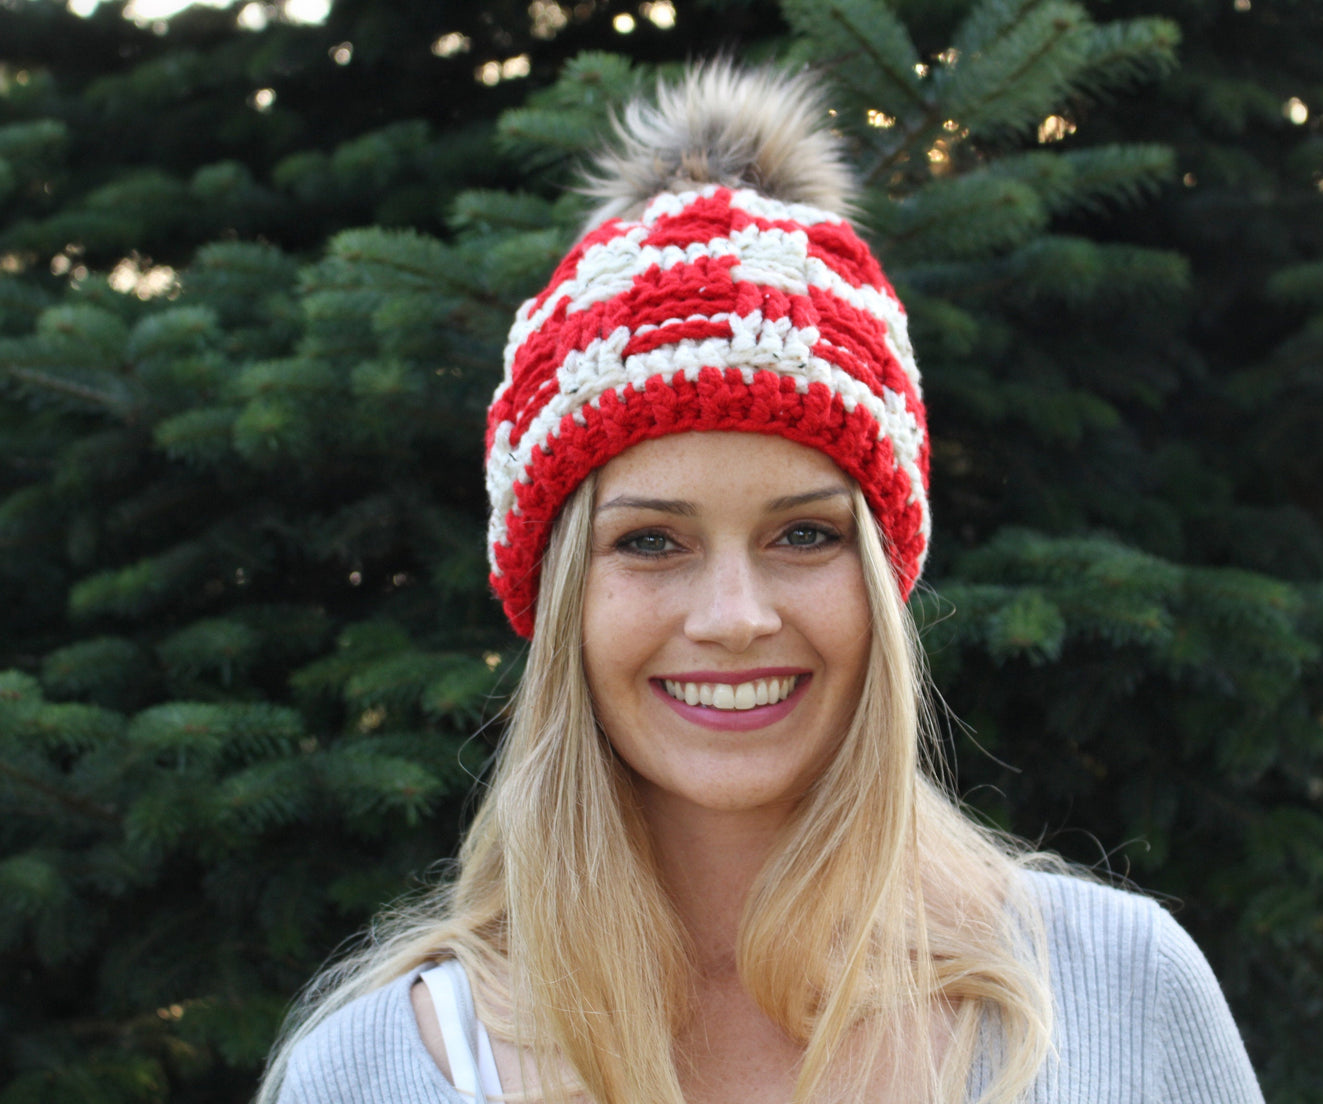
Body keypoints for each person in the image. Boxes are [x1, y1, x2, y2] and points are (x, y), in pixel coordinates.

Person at [259, 62, 1265, 1104]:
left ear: (882, 574)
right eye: (650, 543)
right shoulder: (376, 1070)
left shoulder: (1120, 996)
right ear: (561, 600)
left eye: (804, 535)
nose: (735, 618)